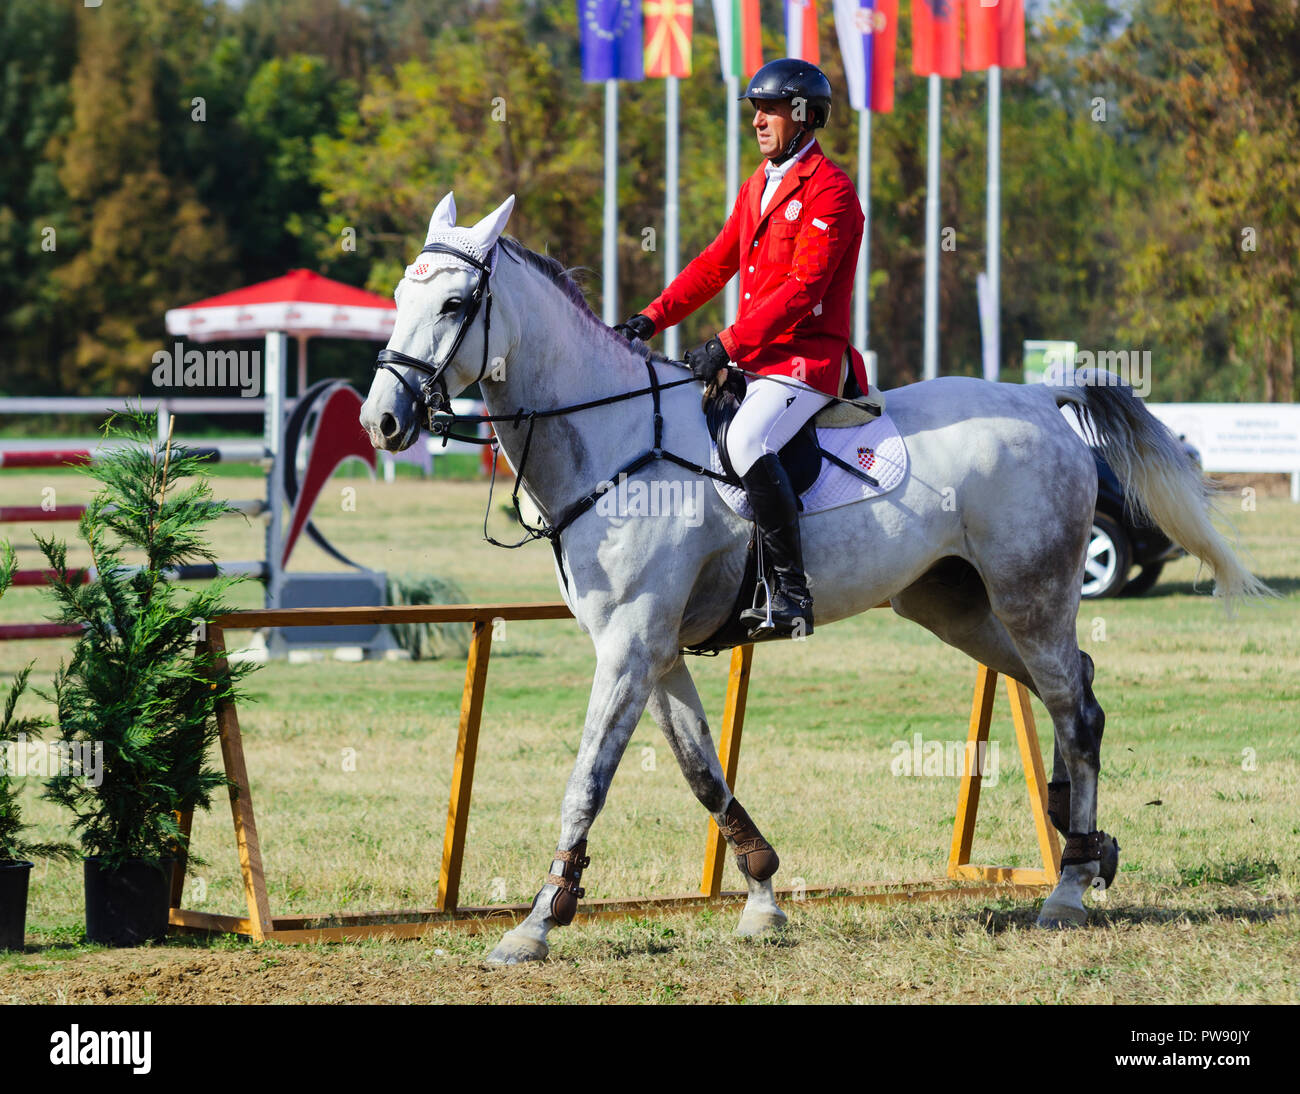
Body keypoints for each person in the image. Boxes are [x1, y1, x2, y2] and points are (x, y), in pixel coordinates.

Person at [614, 58, 866, 639]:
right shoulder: (759, 184)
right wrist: (652, 318)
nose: (756, 120)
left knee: (749, 439)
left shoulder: (831, 191)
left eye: (769, 109)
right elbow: (714, 264)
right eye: (754, 110)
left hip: (806, 362)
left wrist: (725, 344)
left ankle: (791, 593)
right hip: (756, 359)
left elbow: (803, 291)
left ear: (802, 116)